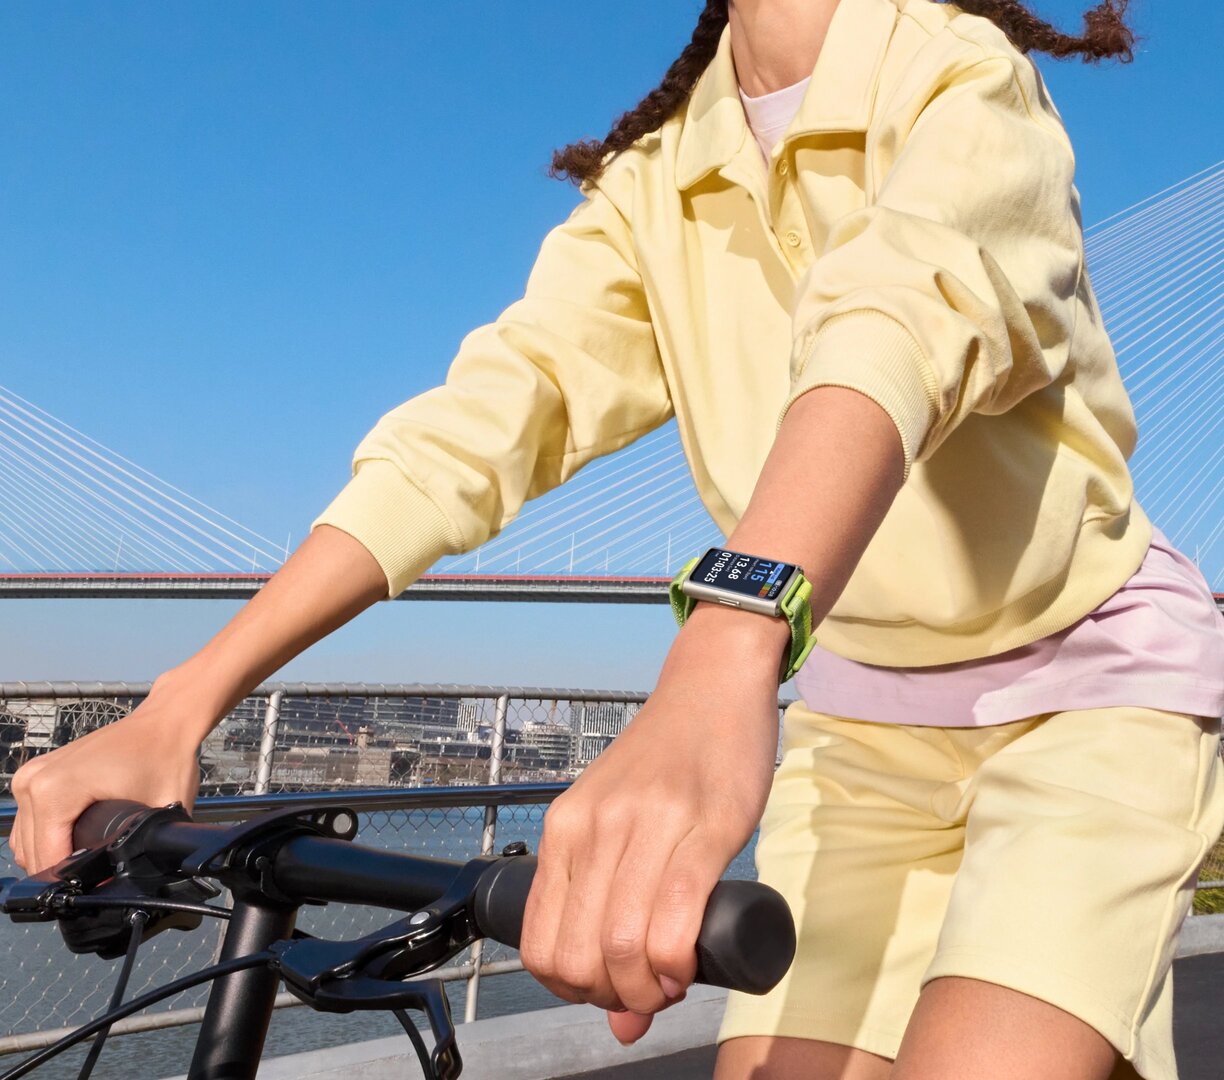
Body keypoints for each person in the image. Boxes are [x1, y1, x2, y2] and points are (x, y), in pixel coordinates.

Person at [11, 0, 1224, 1076]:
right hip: (868, 714)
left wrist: (727, 643)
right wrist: (186, 698)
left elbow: (900, 316)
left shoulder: (963, 73)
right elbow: (486, 423)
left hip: (1091, 685)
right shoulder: (658, 179)